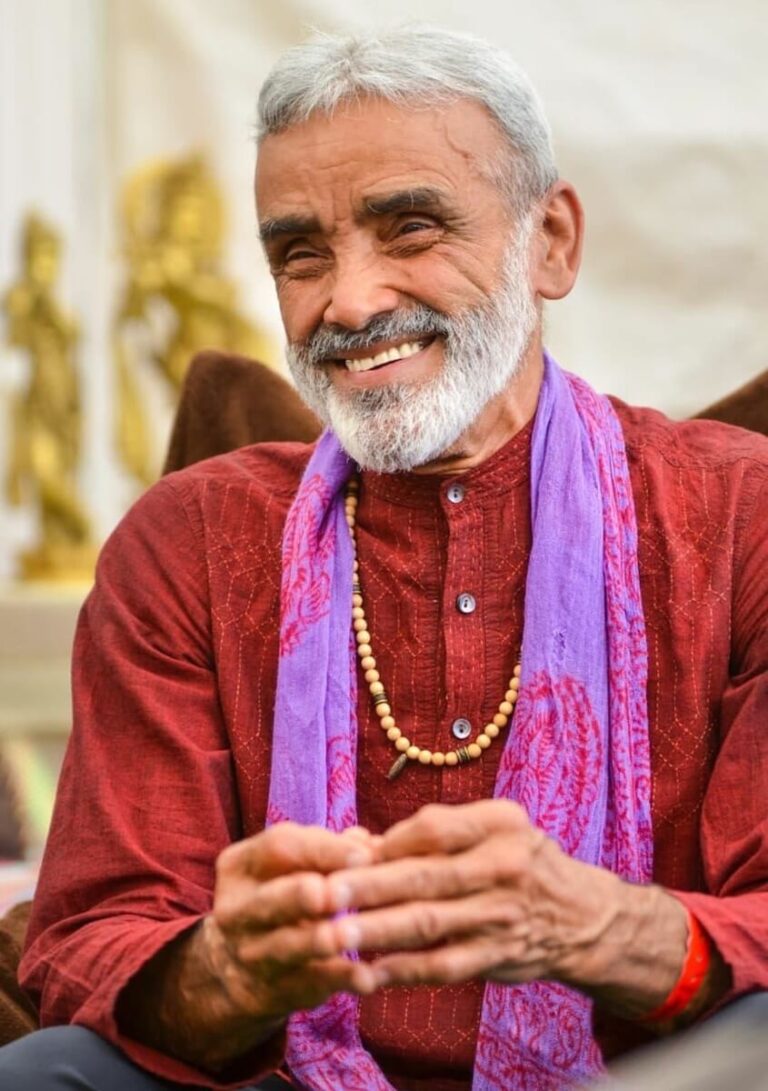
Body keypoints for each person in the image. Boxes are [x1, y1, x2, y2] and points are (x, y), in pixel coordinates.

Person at [2, 25, 766, 1091]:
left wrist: (601, 927)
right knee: (47, 1070)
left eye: (410, 229)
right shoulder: (187, 542)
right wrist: (232, 966)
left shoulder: (740, 515)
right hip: (287, 1078)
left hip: (655, 1076)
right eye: (300, 253)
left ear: (551, 239)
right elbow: (94, 934)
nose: (350, 303)